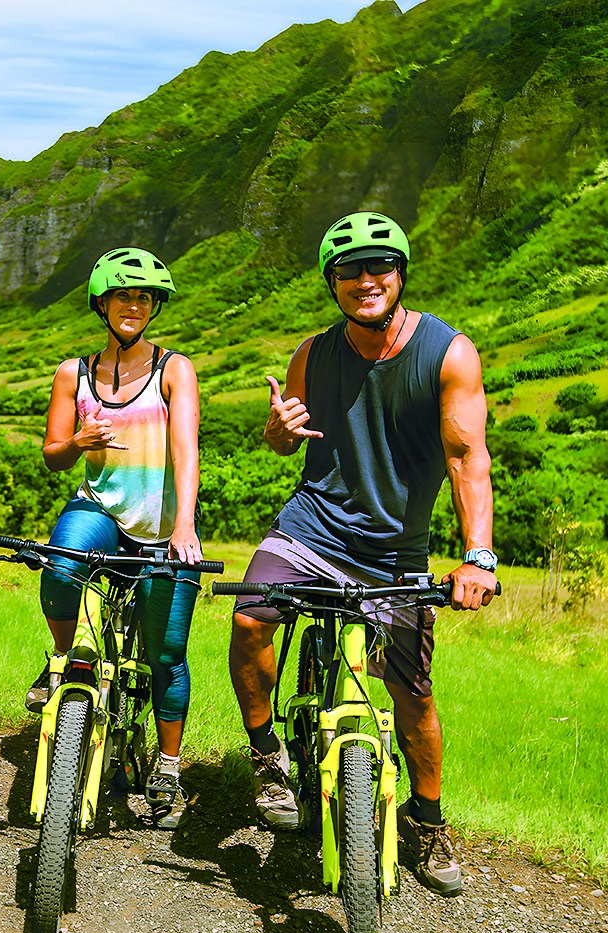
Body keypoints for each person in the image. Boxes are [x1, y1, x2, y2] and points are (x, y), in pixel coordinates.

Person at [227, 211, 497, 896]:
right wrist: (278, 429)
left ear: (401, 274)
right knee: (250, 622)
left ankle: (429, 823)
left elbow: (468, 460)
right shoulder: (313, 355)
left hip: (395, 554)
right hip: (311, 532)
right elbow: (286, 444)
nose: (365, 280)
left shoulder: (448, 353)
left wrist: (479, 557)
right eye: (349, 271)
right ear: (332, 283)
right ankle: (266, 758)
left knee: (413, 695)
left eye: (379, 266)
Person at [28, 247, 203, 828]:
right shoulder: (71, 373)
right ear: (101, 303)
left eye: (145, 298)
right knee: (60, 565)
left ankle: (168, 766)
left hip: (160, 525)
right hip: (100, 508)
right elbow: (53, 455)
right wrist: (78, 440)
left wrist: (184, 526)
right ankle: (59, 658)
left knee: (166, 656)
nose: (134, 306)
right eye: (124, 296)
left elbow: (185, 449)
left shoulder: (174, 368)